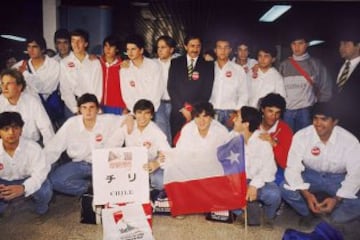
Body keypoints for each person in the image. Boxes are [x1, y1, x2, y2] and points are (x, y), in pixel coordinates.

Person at [280, 102, 360, 226]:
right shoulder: (301, 136)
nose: (318, 124)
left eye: (324, 119)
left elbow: (355, 175)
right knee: (285, 188)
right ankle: (308, 213)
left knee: (356, 202)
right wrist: (306, 195)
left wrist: (337, 199)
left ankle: (331, 221)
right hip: (310, 175)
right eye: (315, 119)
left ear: (335, 121)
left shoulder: (350, 141)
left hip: (337, 179)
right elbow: (292, 168)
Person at [45, 93, 125, 196]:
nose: (88, 111)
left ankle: (104, 188)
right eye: (84, 107)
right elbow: (54, 147)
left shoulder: (107, 120)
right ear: (79, 110)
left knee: (122, 181)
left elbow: (126, 119)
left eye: (92, 107)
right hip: (81, 164)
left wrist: (130, 118)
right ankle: (91, 188)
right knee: (55, 180)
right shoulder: (71, 124)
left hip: (103, 164)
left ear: (98, 110)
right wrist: (39, 167)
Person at [231, 106, 281, 228]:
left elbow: (269, 169)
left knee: (274, 194)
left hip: (260, 182)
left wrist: (254, 185)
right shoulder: (231, 138)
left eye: (237, 117)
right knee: (221, 188)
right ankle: (241, 212)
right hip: (240, 180)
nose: (233, 120)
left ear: (246, 124)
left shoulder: (262, 140)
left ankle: (268, 217)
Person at [0, 112, 52, 215]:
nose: (11, 132)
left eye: (15, 128)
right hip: (3, 182)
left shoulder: (33, 148)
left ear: (21, 130)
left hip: (26, 179)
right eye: (6, 129)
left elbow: (40, 174)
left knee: (45, 189)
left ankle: (40, 209)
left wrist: (23, 188)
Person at [279, 34, 332, 132]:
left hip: (306, 110)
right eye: (294, 44)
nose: (296, 47)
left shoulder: (315, 64)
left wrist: (319, 110)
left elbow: (325, 88)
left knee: (306, 140)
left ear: (307, 44)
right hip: (287, 111)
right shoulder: (283, 65)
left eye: (300, 43)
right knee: (288, 141)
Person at [168, 34, 214, 143]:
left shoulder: (208, 64)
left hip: (197, 113)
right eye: (192, 46)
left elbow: (207, 90)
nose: (195, 49)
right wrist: (182, 108)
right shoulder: (176, 62)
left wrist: (193, 110)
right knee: (177, 141)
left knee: (195, 142)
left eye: (198, 46)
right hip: (178, 111)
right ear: (185, 46)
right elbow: (171, 87)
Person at [123, 99, 170, 191]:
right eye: (139, 113)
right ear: (135, 114)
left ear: (152, 116)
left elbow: (168, 153)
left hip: (149, 166)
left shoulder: (156, 132)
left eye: (147, 113)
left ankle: (151, 190)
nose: (142, 117)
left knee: (160, 181)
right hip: (130, 165)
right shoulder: (128, 125)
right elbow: (113, 143)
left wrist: (157, 163)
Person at [0, 69, 54, 146]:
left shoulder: (32, 101)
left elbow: (46, 128)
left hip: (32, 145)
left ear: (19, 87)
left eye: (9, 83)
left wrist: (48, 152)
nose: (4, 87)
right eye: (2, 83)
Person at [59, 29, 103, 116]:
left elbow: (98, 87)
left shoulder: (94, 62)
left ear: (86, 44)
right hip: (72, 106)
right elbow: (65, 89)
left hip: (91, 105)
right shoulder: (64, 63)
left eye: (79, 41)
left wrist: (94, 106)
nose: (76, 44)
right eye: (73, 41)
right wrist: (75, 109)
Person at [209, 38, 248, 130]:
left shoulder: (238, 69)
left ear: (230, 50)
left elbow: (244, 93)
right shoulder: (209, 67)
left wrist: (237, 112)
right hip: (212, 111)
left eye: (226, 48)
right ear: (215, 50)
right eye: (219, 47)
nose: (223, 51)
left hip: (230, 112)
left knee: (230, 141)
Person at [120, 34, 163, 114]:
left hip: (151, 111)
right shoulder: (125, 69)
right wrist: (135, 111)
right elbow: (126, 94)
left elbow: (157, 91)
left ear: (141, 50)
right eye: (128, 49)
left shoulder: (153, 66)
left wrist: (149, 111)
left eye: (133, 49)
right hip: (134, 112)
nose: (130, 52)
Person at [11, 35, 60, 101]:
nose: (31, 50)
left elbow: (46, 88)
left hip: (45, 107)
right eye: (29, 46)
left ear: (42, 49)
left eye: (35, 47)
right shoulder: (20, 65)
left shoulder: (54, 65)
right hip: (24, 105)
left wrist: (25, 74)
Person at [259, 93, 293, 185]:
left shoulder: (285, 129)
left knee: (286, 187)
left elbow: (285, 163)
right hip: (254, 166)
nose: (273, 116)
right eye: (270, 111)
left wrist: (274, 144)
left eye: (277, 113)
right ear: (262, 109)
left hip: (276, 168)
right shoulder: (253, 124)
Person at [332, 32, 360, 140]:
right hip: (337, 124)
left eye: (346, 44)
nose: (341, 48)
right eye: (340, 44)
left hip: (355, 124)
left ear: (358, 46)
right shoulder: (335, 65)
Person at [154, 35, 177, 145]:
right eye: (158, 47)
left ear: (171, 49)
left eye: (163, 47)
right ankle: (166, 159)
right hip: (159, 104)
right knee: (162, 134)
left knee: (175, 132)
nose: (160, 50)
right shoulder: (152, 64)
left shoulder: (179, 63)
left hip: (175, 103)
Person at [99, 35, 127, 115]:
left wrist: (126, 106)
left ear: (117, 49)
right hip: (100, 105)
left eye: (111, 46)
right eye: (106, 46)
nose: (108, 49)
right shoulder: (97, 63)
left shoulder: (123, 66)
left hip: (118, 106)